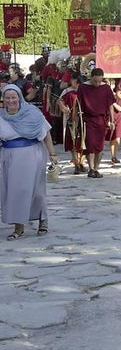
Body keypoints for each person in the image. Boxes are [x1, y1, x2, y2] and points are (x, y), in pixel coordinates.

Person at [0, 85, 56, 240]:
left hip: (32, 155)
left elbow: (46, 133)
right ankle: (19, 227)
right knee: (14, 192)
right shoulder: (1, 116)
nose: (11, 101)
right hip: (9, 158)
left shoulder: (32, 113)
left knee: (36, 190)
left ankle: (43, 220)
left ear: (19, 97)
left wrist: (52, 153)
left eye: (13, 97)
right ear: (3, 99)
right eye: (7, 98)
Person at [77, 67, 117, 179]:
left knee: (99, 146)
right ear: (91, 77)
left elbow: (110, 105)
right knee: (90, 144)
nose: (97, 84)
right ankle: (91, 169)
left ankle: (96, 168)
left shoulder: (106, 88)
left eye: (99, 81)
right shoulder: (83, 87)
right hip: (88, 119)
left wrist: (112, 120)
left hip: (101, 120)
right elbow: (78, 105)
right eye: (95, 81)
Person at [57, 70, 86, 174]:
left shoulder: (85, 90)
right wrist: (65, 109)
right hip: (72, 120)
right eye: (74, 80)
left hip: (84, 119)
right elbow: (60, 101)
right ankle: (76, 164)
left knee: (84, 141)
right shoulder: (67, 91)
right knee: (73, 142)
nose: (75, 83)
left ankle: (81, 162)